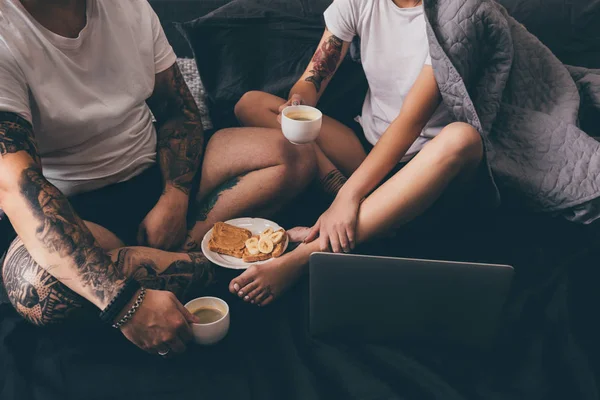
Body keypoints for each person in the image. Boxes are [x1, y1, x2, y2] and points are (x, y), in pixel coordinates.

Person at [0, 0, 315, 356]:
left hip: (161, 170)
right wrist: (124, 304)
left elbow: (178, 109)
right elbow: (17, 187)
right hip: (77, 207)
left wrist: (174, 195)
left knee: (296, 155)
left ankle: (206, 250)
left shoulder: (130, 6)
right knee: (36, 288)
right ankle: (256, 257)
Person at [230, 0, 484, 306]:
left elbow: (410, 123)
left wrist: (347, 198)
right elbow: (315, 76)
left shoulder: (460, 12)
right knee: (253, 104)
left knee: (462, 138)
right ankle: (349, 196)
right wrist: (298, 102)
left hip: (429, 166)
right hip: (369, 151)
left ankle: (304, 256)